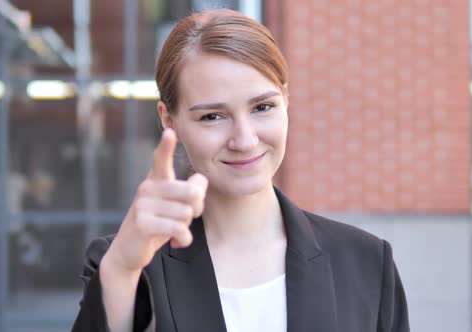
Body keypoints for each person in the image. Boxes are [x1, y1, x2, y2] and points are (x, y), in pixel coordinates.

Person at [72, 9, 409, 332]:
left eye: (262, 107)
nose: (245, 140)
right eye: (212, 116)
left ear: (286, 100)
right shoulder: (126, 266)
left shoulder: (365, 263)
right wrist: (121, 270)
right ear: (168, 119)